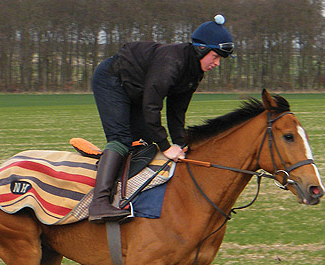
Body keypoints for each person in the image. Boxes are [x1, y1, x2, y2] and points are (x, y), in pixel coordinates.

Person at [89, 14, 235, 223]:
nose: (217, 64)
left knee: (146, 141)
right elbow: (152, 106)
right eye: (216, 57)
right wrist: (167, 146)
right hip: (112, 80)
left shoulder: (194, 72)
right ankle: (99, 204)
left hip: (137, 90)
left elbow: (177, 112)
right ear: (201, 50)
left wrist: (181, 143)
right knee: (121, 138)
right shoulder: (171, 61)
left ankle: (126, 195)